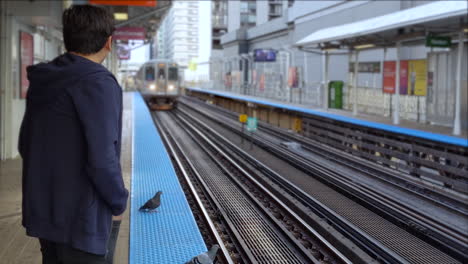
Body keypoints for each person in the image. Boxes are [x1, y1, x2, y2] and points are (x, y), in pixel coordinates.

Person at [18, 4, 128, 264]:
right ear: (109, 43)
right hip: (82, 220)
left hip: (45, 212)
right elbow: (103, 158)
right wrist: (118, 201)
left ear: (67, 39)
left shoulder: (45, 79)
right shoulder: (99, 83)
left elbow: (26, 143)